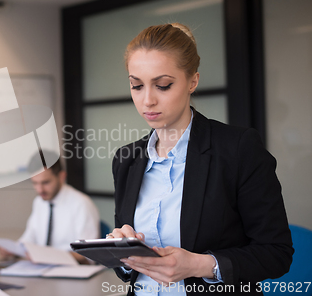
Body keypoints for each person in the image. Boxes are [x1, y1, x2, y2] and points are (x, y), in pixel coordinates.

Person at [107, 23, 293, 295]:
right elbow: (130, 271)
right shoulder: (126, 159)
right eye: (136, 86)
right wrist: (122, 253)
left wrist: (200, 265)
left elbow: (276, 253)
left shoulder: (238, 149)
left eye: (163, 85)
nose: (147, 100)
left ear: (192, 81)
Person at [15, 151, 100, 264]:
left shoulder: (81, 204)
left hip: (72, 271)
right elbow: (29, 238)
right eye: (35, 183)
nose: (40, 190)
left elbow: (89, 254)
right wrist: (14, 249)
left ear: (61, 176)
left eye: (45, 182)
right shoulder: (39, 202)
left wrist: (49, 256)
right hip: (42, 268)